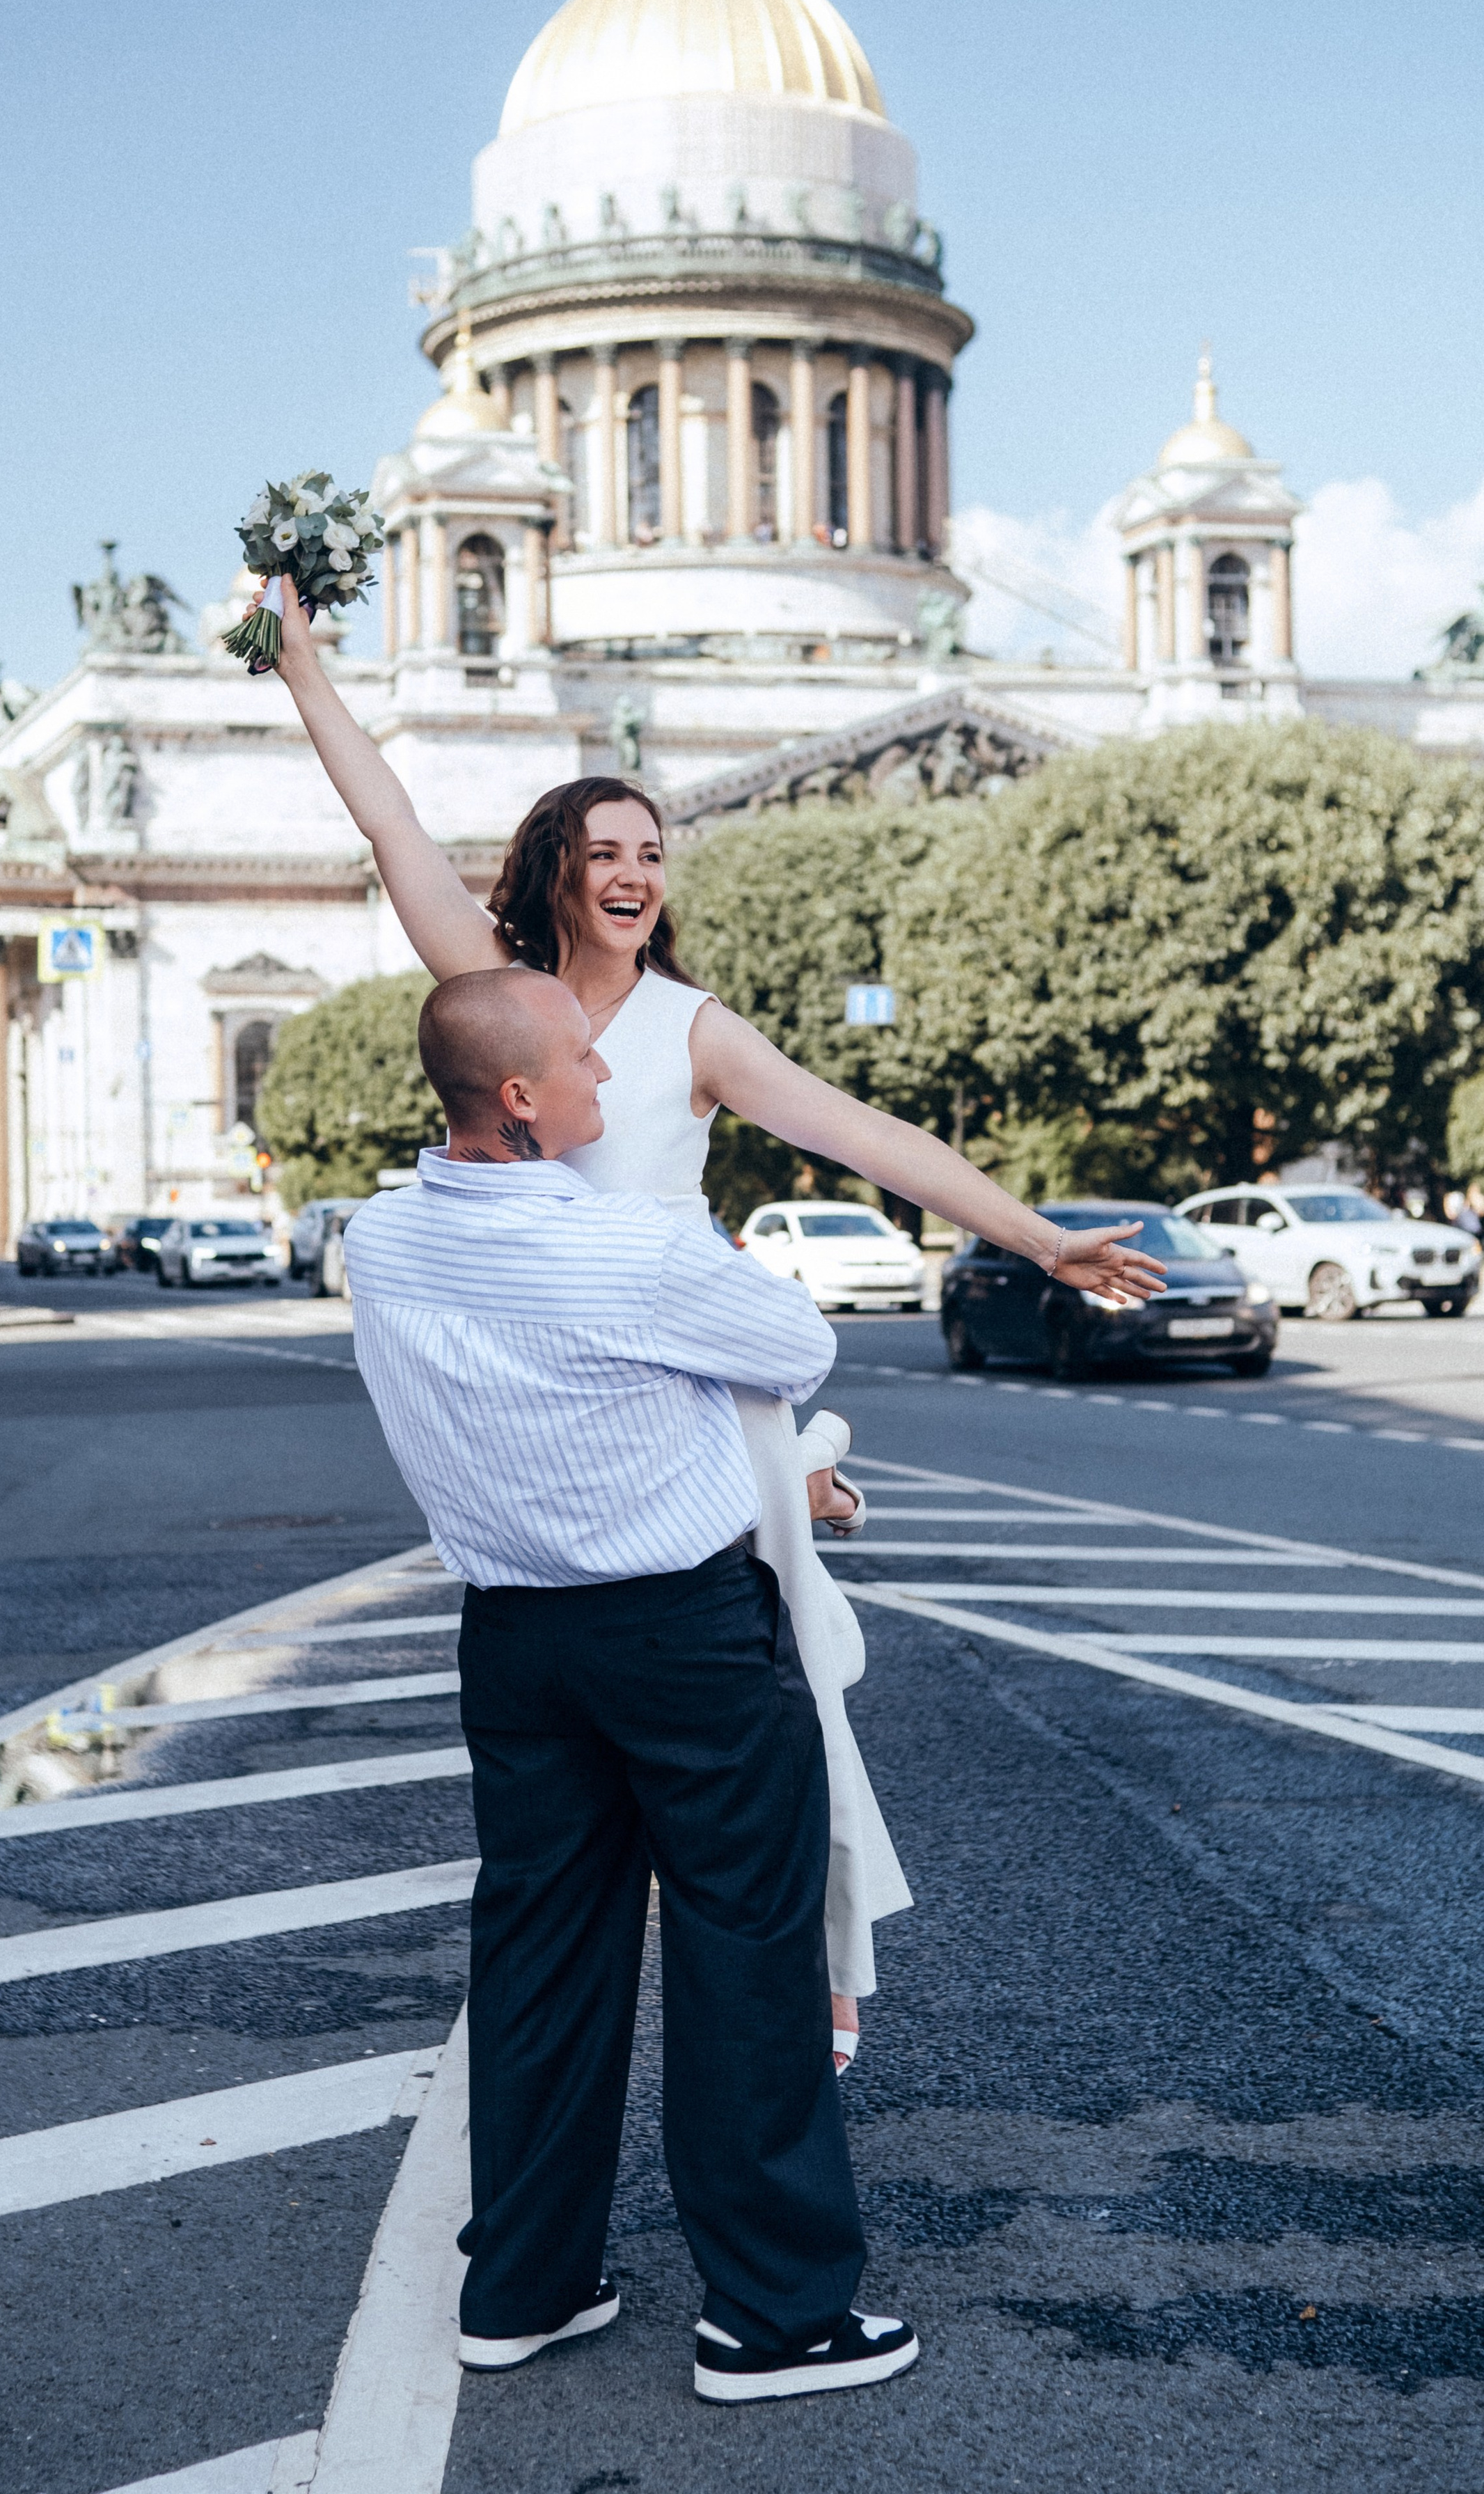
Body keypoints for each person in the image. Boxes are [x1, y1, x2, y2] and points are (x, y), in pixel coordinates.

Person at [271, 580, 1165, 2061]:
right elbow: (387, 828)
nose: (631, 875)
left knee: (784, 1693)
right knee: (666, 1711)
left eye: (650, 854)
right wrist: (304, 668)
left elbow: (868, 1134)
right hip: (566, 1404)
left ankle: (808, 1971)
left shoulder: (692, 1030)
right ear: (552, 868)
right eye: (602, 851)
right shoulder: (493, 999)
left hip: (690, 1372)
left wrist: (1035, 1237)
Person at [346, 966, 919, 2401]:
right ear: (525, 1101)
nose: (615, 1080)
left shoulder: (381, 1237)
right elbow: (795, 1346)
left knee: (537, 1956)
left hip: (514, 1643)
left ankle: (523, 2287)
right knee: (743, 1954)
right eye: (585, 1066)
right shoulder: (625, 1252)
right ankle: (772, 2317)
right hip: (679, 1635)